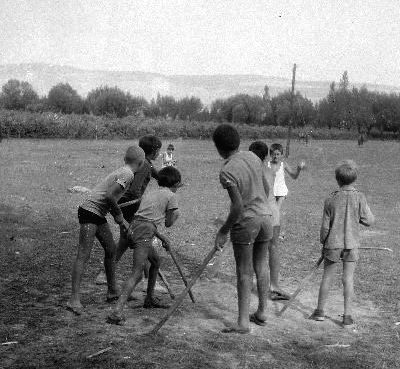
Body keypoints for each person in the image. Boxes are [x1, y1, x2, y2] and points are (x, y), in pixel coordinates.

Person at [67, 146, 145, 315]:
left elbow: (109, 198)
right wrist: (119, 216)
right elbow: (109, 196)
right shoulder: (128, 174)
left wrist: (121, 219)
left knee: (111, 251)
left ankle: (112, 291)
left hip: (97, 213)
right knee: (83, 254)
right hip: (89, 212)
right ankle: (73, 299)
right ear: (141, 163)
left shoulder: (124, 171)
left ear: (126, 159)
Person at [213, 125, 273, 334]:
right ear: (238, 141)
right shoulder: (253, 157)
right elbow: (266, 188)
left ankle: (243, 323)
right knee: (261, 264)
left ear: (218, 148)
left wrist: (223, 230)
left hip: (247, 222)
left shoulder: (227, 171)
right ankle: (263, 311)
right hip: (266, 217)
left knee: (244, 271)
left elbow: (238, 207)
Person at [107, 166, 182, 325]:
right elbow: (168, 223)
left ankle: (149, 299)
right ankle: (116, 312)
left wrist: (161, 237)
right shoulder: (171, 196)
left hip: (133, 227)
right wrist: (176, 215)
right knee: (137, 273)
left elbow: (145, 219)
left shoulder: (151, 193)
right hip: (144, 233)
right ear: (175, 184)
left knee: (155, 262)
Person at [310, 160, 374, 327]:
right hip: (351, 244)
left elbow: (325, 227)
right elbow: (369, 220)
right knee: (348, 279)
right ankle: (347, 316)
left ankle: (320, 312)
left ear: (337, 179)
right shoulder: (360, 197)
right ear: (355, 179)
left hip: (332, 244)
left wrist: (323, 243)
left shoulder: (331, 199)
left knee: (327, 277)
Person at [94, 135, 162, 289]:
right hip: (130, 206)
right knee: (137, 240)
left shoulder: (146, 164)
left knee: (129, 240)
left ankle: (107, 274)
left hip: (127, 206)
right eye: (159, 150)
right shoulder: (145, 166)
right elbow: (134, 190)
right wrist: (139, 202)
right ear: (154, 150)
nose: (159, 153)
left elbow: (159, 176)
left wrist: (172, 178)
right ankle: (108, 274)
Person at [249, 141, 290, 301]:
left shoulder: (250, 171)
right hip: (272, 214)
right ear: (266, 155)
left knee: (257, 252)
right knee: (273, 248)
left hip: (258, 214)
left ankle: (267, 287)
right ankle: (273, 285)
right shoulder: (269, 170)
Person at [268, 143, 305, 239]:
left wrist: (298, 169)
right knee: (270, 212)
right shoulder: (267, 165)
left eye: (278, 154)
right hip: (271, 192)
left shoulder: (283, 165)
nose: (276, 156)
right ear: (270, 154)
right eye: (274, 154)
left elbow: (294, 176)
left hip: (281, 192)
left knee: (277, 211)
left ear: (281, 155)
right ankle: (270, 231)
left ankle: (281, 233)